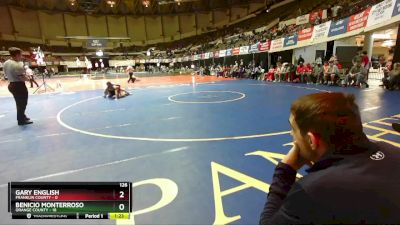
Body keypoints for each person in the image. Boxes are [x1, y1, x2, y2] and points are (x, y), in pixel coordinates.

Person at [259, 92, 400, 225]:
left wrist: (286, 170)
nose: (292, 134)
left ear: (311, 140)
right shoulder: (393, 150)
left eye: (293, 129)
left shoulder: (313, 190)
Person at [3, 47, 33, 126]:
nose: (21, 56)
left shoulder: (6, 62)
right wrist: (28, 78)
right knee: (22, 103)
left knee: (19, 103)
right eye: (20, 54)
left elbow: (5, 74)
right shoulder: (18, 65)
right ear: (17, 55)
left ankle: (22, 116)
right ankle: (21, 120)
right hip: (19, 85)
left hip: (11, 84)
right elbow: (22, 78)